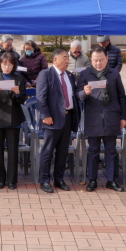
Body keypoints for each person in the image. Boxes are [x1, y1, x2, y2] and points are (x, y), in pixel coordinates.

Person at [77, 46, 126, 192]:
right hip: (93, 117)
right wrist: (84, 93)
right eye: (95, 60)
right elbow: (78, 95)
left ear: (107, 59)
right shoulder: (86, 74)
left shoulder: (113, 74)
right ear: (91, 60)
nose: (98, 63)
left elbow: (121, 97)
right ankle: (92, 180)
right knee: (93, 150)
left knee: (111, 150)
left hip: (111, 116)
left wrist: (123, 117)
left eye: (101, 60)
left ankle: (111, 180)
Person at [35, 49, 80, 193]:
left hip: (68, 117)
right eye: (65, 58)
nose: (67, 61)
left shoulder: (70, 76)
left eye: (68, 59)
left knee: (63, 151)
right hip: (52, 119)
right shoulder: (45, 74)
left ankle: (59, 179)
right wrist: (46, 115)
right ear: (55, 60)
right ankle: (44, 180)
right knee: (48, 151)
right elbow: (41, 98)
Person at [0, 52, 26, 189]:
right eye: (4, 64)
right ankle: (0, 179)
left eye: (9, 64)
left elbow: (22, 100)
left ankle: (12, 180)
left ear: (13, 65)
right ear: (0, 65)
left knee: (13, 150)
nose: (7, 67)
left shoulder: (19, 79)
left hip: (13, 118)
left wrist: (18, 93)